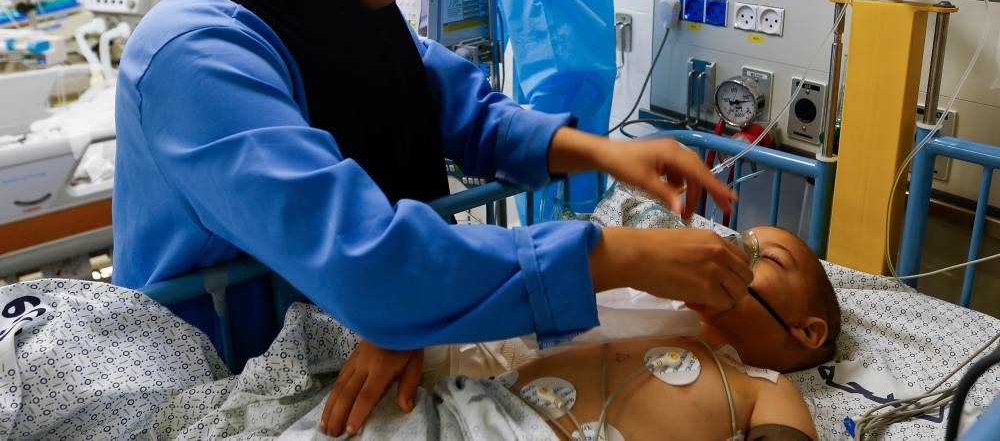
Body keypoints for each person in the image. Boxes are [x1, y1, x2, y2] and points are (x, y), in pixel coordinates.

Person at [111, 0, 749, 435]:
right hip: (215, 381)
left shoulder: (348, 15)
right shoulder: (196, 57)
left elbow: (470, 113)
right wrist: (625, 258)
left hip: (340, 340)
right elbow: (367, 260)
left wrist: (606, 153)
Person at [319, 226, 841, 439]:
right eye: (736, 239)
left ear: (807, 331)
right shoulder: (650, 307)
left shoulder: (762, 387)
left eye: (768, 258)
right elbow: (515, 289)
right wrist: (411, 323)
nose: (733, 251)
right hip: (468, 411)